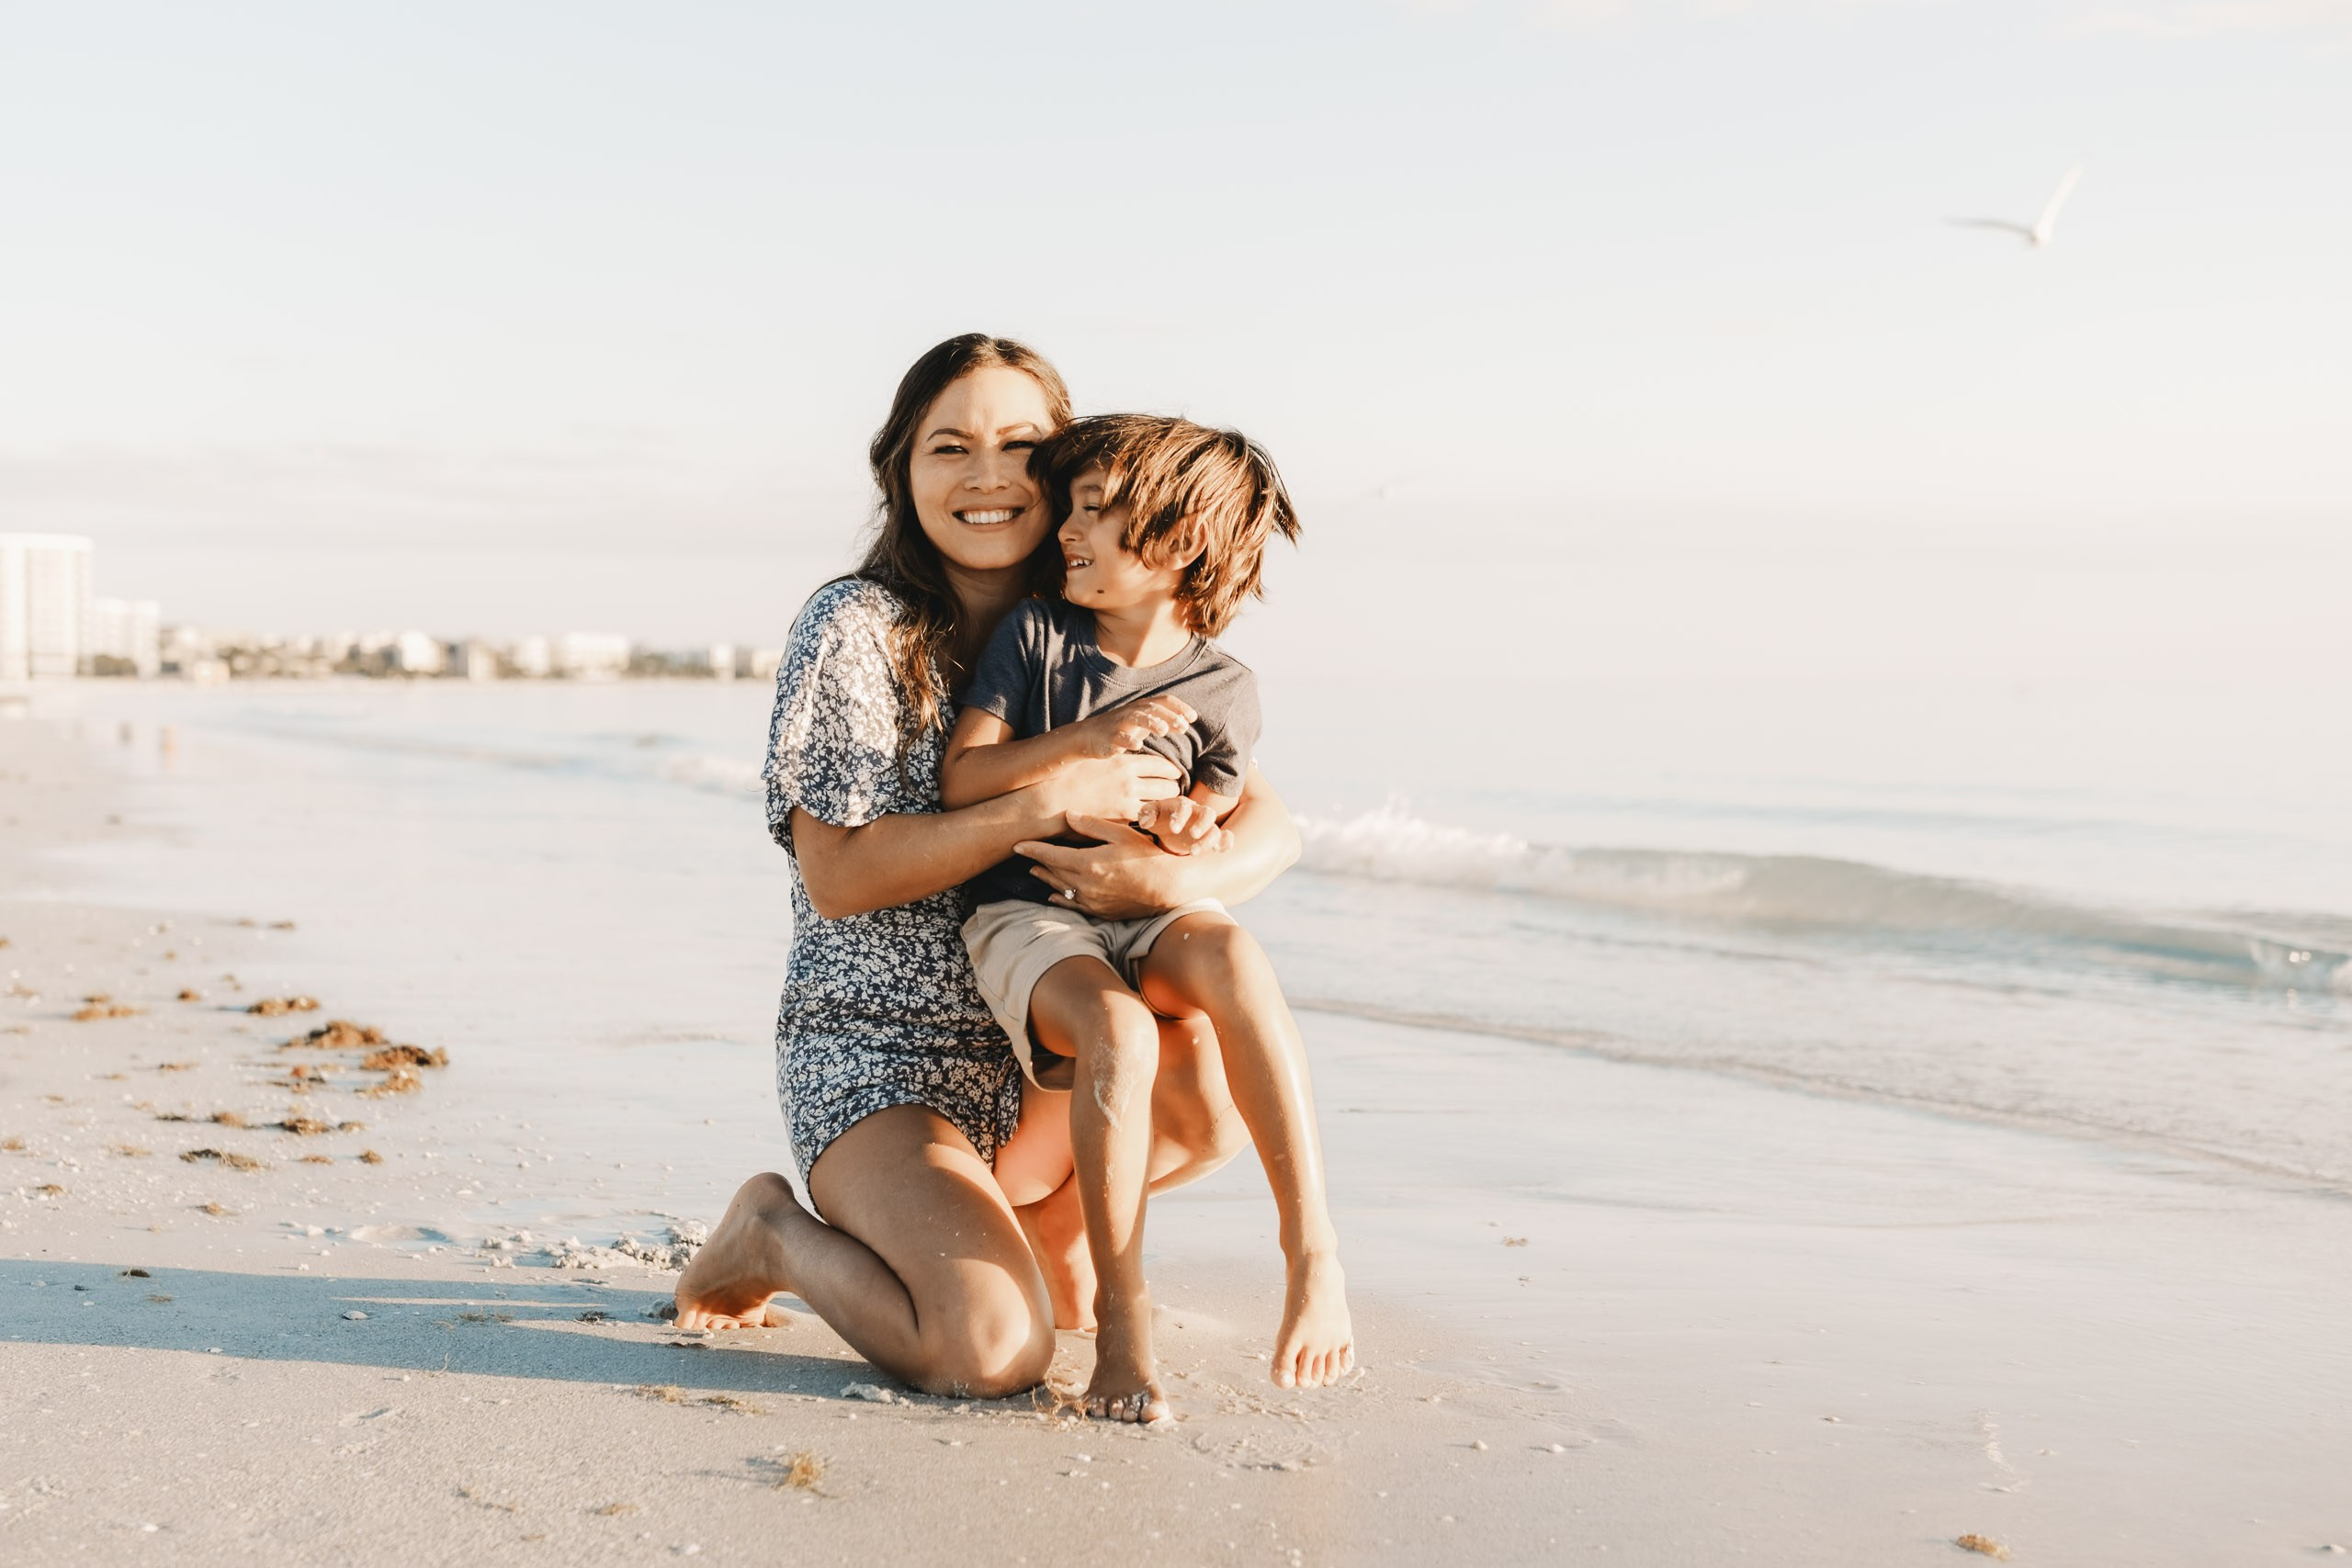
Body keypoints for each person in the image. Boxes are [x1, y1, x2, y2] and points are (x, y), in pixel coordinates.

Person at [672, 334, 1302, 1405]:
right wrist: (1049, 798)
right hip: (887, 1059)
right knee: (990, 1355)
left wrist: (1184, 876)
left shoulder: (1093, 625)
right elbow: (840, 875)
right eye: (948, 447)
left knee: (1204, 1089)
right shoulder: (858, 628)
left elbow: (1267, 814)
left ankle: (1046, 1233)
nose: (989, 475)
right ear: (900, 471)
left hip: (1042, 1051)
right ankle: (773, 1232)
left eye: (1022, 445)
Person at [939, 414, 1354, 1425]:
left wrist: (1182, 824)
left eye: (1093, 516)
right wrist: (1086, 739)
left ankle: (1314, 1254)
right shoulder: (1036, 634)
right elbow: (962, 781)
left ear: (1177, 545)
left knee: (1236, 956)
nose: (1066, 533)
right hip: (1029, 916)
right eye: (1072, 511)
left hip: (1146, 909)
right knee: (1120, 1030)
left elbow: (1216, 815)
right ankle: (1124, 1325)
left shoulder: (1224, 687)